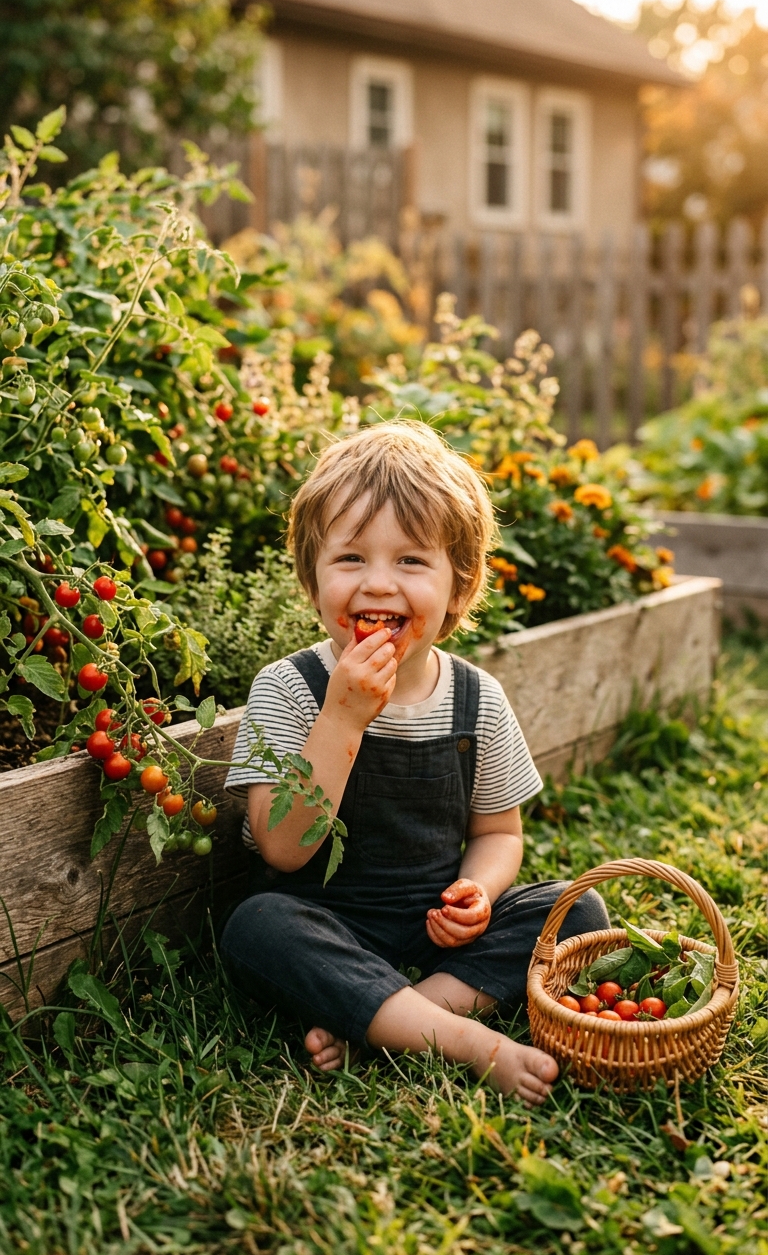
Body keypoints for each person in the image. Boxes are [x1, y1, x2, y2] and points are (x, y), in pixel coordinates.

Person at [220, 422, 608, 1104]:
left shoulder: (475, 697)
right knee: (258, 926)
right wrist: (339, 716)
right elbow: (282, 849)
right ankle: (459, 1037)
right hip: (325, 920)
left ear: (458, 589)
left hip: (436, 934)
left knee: (577, 912)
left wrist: (479, 893)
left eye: (410, 561)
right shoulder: (288, 688)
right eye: (350, 560)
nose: (378, 584)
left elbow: (498, 833)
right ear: (311, 582)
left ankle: (392, 1016)